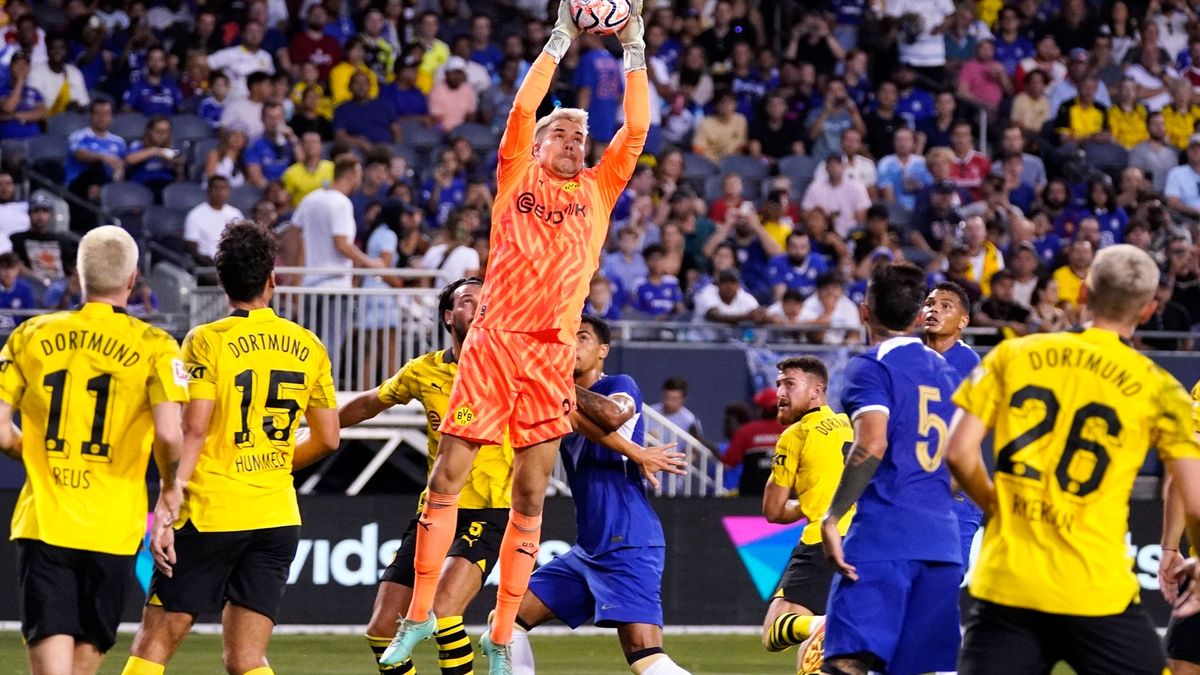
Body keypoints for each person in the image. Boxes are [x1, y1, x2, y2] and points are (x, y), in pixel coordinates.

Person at [378, 4, 660, 671]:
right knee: (447, 477)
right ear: (537, 143)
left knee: (530, 495)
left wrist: (634, 44)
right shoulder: (515, 175)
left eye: (577, 137)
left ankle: (502, 633)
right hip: (494, 344)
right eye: (559, 132)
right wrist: (561, 36)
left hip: (548, 357)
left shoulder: (599, 189)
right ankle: (417, 616)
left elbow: (639, 127)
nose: (570, 142)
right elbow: (522, 106)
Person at [946, 244, 1200, 675]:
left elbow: (957, 452)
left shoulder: (1013, 355)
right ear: (1147, 311)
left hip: (1009, 585)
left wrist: (995, 506)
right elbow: (1194, 500)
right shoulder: (1160, 388)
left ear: (1083, 292)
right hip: (1097, 589)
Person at [120, 220, 339, 675]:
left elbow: (194, 428)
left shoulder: (205, 340)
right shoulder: (309, 345)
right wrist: (273, 463)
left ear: (221, 281)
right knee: (247, 659)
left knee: (154, 643)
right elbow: (327, 437)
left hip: (211, 511)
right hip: (276, 516)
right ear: (272, 278)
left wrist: (169, 495)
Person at [0, 226, 187, 675]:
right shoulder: (156, 345)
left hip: (45, 522)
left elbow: (2, 433)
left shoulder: (31, 335)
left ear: (78, 276)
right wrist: (168, 488)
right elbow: (168, 434)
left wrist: (36, 452)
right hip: (112, 530)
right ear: (133, 279)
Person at [337, 278, 516, 675]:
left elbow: (566, 406)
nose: (481, 308)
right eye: (470, 302)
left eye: (488, 302)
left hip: (488, 511)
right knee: (381, 630)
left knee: (443, 610)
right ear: (450, 317)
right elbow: (369, 403)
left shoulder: (511, 370)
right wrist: (316, 427)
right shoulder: (424, 370)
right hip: (434, 513)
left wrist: (632, 449)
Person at [510, 315, 692, 675]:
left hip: (628, 540)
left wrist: (554, 382)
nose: (572, 346)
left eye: (582, 339)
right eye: (567, 339)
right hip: (588, 548)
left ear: (603, 350)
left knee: (644, 654)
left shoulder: (619, 385)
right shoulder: (562, 404)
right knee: (506, 623)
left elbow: (610, 416)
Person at [820, 262, 963, 675]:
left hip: (886, 536)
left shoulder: (871, 366)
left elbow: (872, 441)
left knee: (847, 662)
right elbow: (961, 461)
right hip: (942, 544)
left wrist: (832, 517)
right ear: (921, 317)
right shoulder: (952, 375)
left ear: (865, 311)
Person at [760, 356, 853, 674]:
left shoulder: (795, 435)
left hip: (822, 542)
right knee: (818, 656)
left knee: (775, 631)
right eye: (778, 385)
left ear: (817, 391)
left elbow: (773, 511)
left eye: (789, 384)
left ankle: (823, 623)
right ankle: (825, 626)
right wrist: (818, 497)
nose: (780, 394)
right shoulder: (849, 423)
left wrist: (807, 503)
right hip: (864, 540)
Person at [919, 280, 983, 570]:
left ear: (963, 321)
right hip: (910, 491)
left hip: (951, 497)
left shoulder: (967, 363)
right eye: (930, 304)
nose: (934, 310)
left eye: (946, 306)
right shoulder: (910, 357)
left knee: (938, 584)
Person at [721, 387, 785, 497]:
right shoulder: (794, 431)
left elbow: (728, 462)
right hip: (785, 497)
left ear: (760, 409)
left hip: (750, 497)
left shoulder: (746, 431)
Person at [11, 193, 76, 284]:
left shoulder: (62, 240)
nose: (40, 216)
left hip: (59, 289)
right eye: (36, 211)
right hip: (32, 286)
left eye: (44, 211)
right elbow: (15, 265)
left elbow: (72, 267)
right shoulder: (17, 239)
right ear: (29, 214)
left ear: (50, 214)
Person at [183, 176, 243, 268]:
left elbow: (242, 241)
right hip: (206, 265)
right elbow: (192, 246)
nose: (220, 193)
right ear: (208, 191)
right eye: (216, 188)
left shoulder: (235, 214)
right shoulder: (195, 214)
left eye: (224, 188)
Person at [206, 20, 275, 99]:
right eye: (250, 31)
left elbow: (271, 82)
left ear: (263, 35)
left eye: (258, 32)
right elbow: (205, 64)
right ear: (243, 34)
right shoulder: (230, 54)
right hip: (233, 101)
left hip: (257, 103)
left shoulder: (266, 57)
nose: (254, 35)